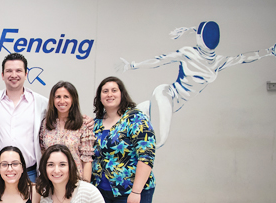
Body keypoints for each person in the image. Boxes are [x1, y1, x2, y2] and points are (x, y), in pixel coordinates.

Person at [118, 21, 276, 147]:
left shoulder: (218, 61)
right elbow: (160, 60)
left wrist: (268, 51)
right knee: (159, 140)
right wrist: (132, 65)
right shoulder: (189, 53)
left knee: (126, 124)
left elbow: (242, 57)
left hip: (175, 104)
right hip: (167, 94)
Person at [92, 76, 156, 203]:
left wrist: (136, 192)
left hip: (129, 193)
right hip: (102, 193)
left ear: (122, 94)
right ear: (100, 96)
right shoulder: (96, 123)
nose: (109, 94)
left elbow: (147, 156)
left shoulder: (135, 119)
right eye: (105, 91)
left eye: (114, 90)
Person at [0, 53, 48, 183]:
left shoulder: (41, 103)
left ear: (26, 74)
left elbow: (63, 115)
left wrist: (84, 120)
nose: (13, 75)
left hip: (29, 174)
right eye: (9, 71)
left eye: (18, 70)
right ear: (2, 75)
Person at [39, 81, 95, 181]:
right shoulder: (45, 124)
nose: (62, 101)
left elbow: (87, 160)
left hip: (75, 180)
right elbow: (43, 152)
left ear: (73, 99)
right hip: (51, 180)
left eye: (66, 97)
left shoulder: (83, 124)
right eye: (58, 97)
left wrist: (85, 186)